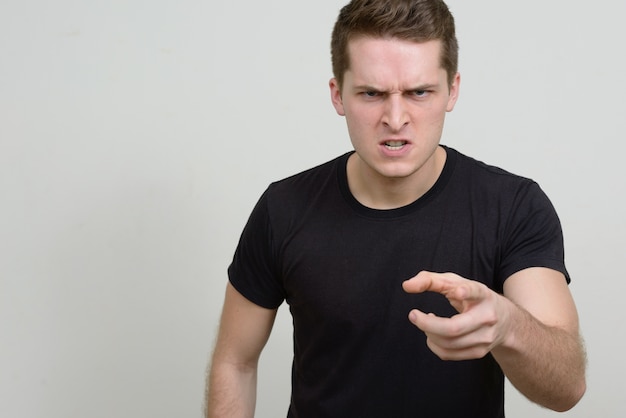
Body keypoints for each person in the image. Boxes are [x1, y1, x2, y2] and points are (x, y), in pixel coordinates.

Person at [205, 0, 587, 416]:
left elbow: (566, 388)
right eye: (372, 93)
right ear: (338, 95)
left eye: (419, 92)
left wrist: (508, 327)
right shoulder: (283, 209)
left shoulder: (513, 206)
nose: (395, 117)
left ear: (452, 90)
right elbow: (235, 362)